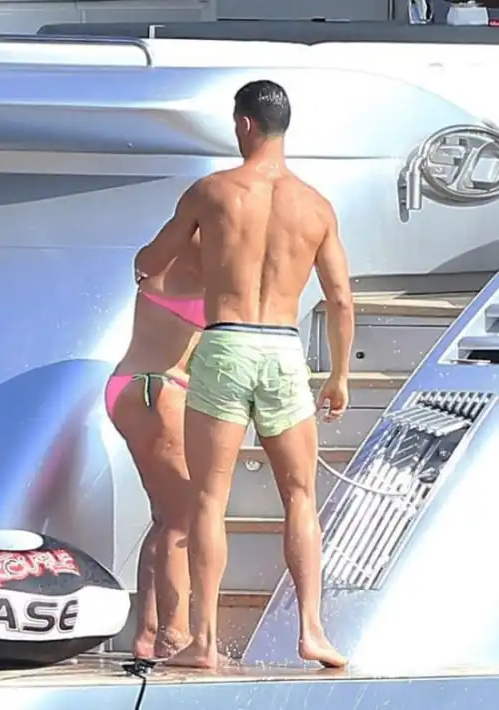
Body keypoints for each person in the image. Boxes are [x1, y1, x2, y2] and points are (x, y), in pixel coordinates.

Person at [135, 79, 355, 669]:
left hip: (227, 344)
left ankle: (205, 642)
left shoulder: (212, 192)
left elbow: (149, 261)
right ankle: (312, 630)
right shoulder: (316, 205)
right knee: (300, 496)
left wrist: (191, 257)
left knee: (210, 498)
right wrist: (338, 375)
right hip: (283, 349)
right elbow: (340, 299)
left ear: (244, 125)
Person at [104, 235, 204, 659]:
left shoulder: (155, 264)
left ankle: (147, 633)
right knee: (185, 519)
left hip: (126, 384)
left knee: (164, 517)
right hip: (160, 388)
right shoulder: (209, 273)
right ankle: (175, 633)